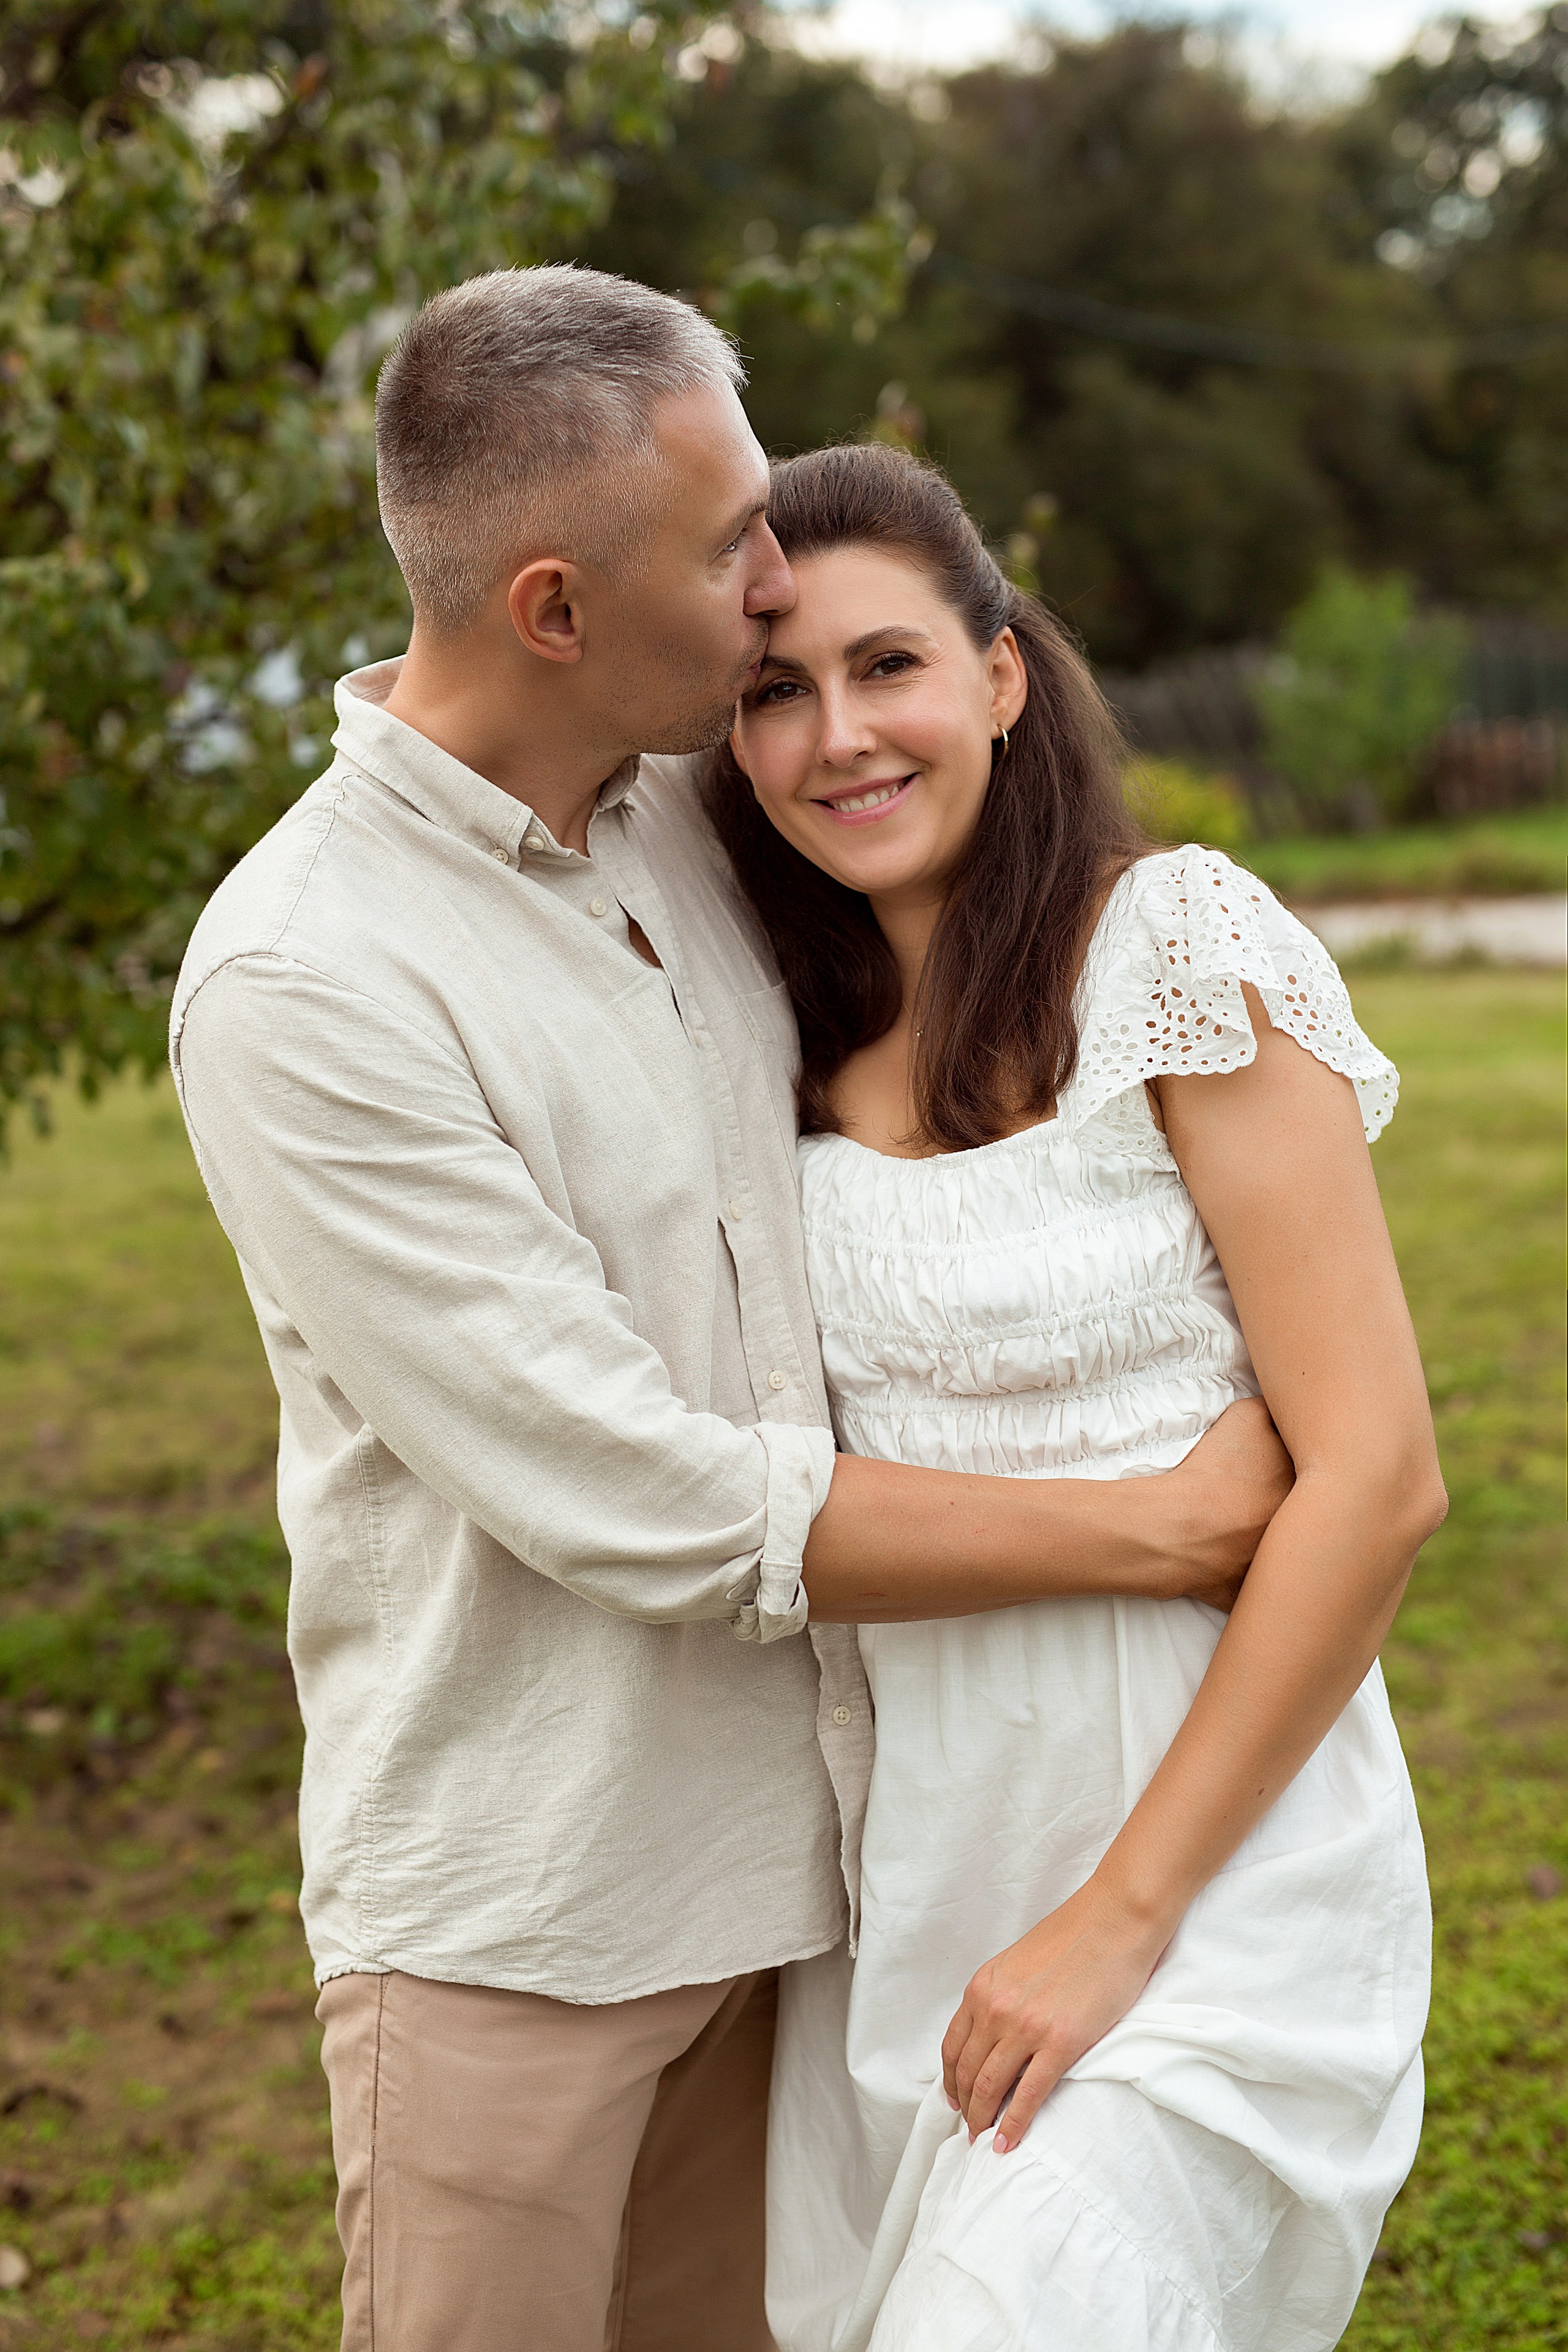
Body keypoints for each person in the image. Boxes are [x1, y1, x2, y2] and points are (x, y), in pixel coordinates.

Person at [168, 269, 1288, 2352]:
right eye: (730, 546)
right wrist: (1160, 1525)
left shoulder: (691, 820)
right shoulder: (307, 981)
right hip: (525, 1912)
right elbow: (644, 1492)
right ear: (555, 609)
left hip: (812, 1886)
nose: (774, 579)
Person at [705, 442, 1444, 2352]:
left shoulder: (1170, 948)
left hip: (1217, 1861)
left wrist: (1121, 1919)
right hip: (926, 1855)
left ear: (1001, 674)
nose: (837, 736)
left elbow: (1376, 1479)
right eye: (775, 689)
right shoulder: (757, 1034)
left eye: (887, 665)